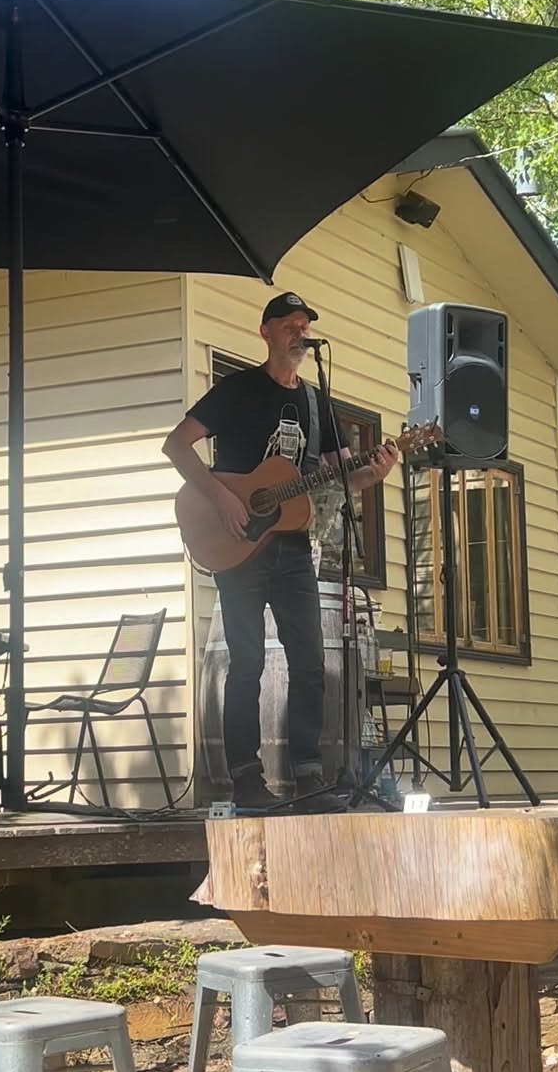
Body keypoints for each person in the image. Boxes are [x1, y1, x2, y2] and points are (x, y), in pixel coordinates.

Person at [162, 290, 398, 810]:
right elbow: (176, 445)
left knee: (309, 662)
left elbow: (342, 475)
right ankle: (246, 778)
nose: (300, 334)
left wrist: (375, 473)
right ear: (266, 332)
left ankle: (308, 776)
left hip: (292, 549)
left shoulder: (316, 403)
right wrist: (221, 497)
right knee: (246, 663)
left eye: (304, 327)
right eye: (290, 325)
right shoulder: (236, 391)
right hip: (236, 543)